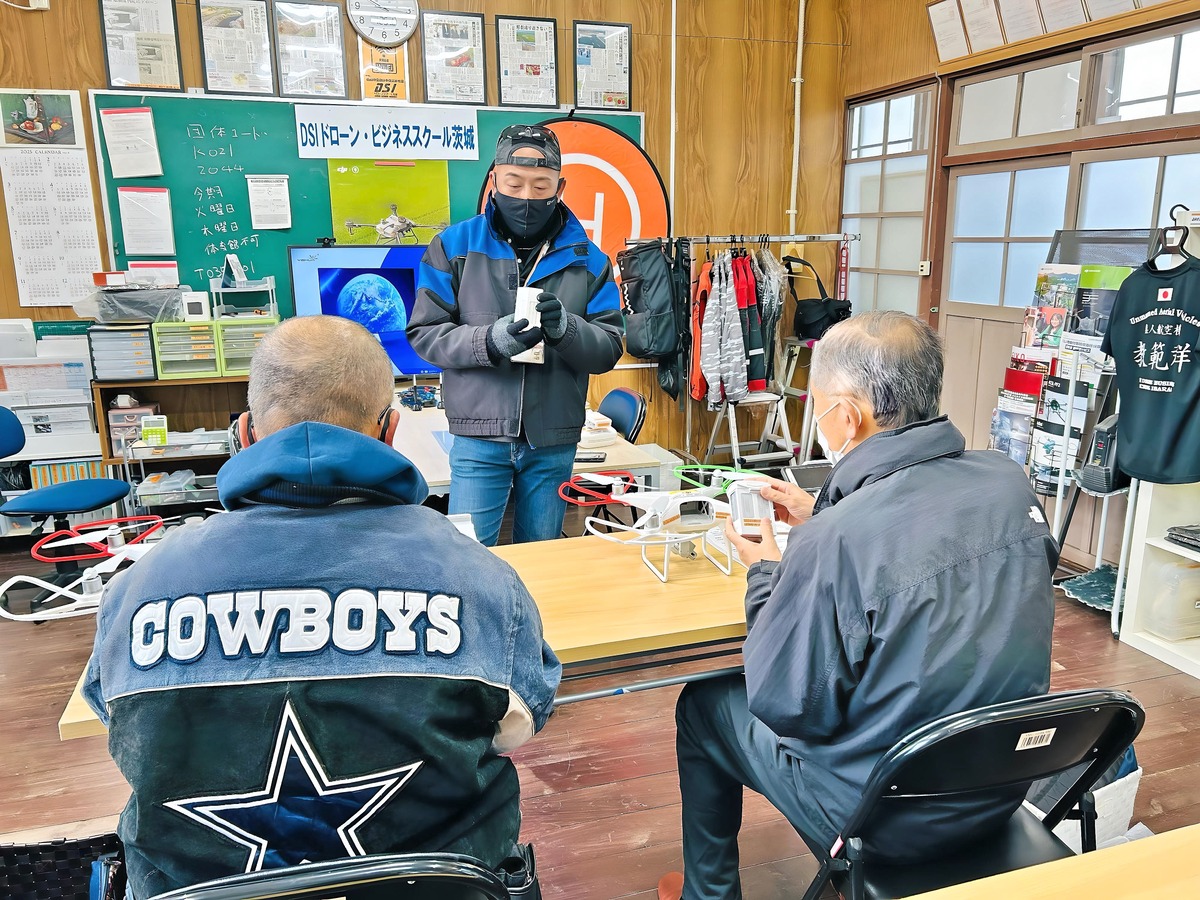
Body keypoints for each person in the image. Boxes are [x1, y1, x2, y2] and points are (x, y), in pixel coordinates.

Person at [83, 316, 561, 899]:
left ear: (245, 433)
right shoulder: (482, 579)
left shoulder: (138, 588)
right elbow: (514, 730)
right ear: (389, 431)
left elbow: (121, 726)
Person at [658, 311, 1057, 900]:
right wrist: (825, 515)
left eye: (817, 406)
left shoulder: (839, 538)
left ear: (845, 416)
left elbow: (786, 704)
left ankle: (708, 896)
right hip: (999, 784)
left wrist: (771, 572)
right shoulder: (1007, 481)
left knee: (703, 707)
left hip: (884, 815)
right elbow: (933, 559)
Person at [408, 123, 623, 546]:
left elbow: (610, 347)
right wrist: (488, 342)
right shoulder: (453, 247)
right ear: (494, 180)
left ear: (560, 187)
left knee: (542, 558)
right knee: (468, 557)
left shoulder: (589, 261)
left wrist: (567, 330)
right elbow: (425, 333)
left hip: (553, 440)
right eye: (514, 182)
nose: (527, 196)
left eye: (541, 185)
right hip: (478, 435)